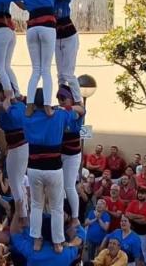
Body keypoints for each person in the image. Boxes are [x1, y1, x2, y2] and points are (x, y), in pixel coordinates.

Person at [0, 0, 58, 116]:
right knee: (43, 70)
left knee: (32, 69)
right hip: (34, 28)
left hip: (24, 29)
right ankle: (41, 103)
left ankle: (22, 102)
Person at [23, 88, 83, 252]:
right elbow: (81, 110)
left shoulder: (27, 117)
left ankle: (37, 240)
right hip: (53, 168)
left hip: (34, 167)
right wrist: (66, 107)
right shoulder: (60, 115)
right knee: (57, 207)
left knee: (36, 205)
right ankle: (57, 243)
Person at [10, 202, 86, 266]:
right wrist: (74, 219)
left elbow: (14, 233)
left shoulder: (32, 251)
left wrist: (17, 212)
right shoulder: (67, 253)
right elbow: (81, 236)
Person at [0, 82, 28, 216]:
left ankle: (22, 214)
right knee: (16, 182)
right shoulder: (5, 107)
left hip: (20, 146)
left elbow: (16, 118)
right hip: (14, 147)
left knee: (15, 182)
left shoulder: (18, 106)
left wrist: (7, 103)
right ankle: (22, 211)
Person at [57, 84, 85, 226]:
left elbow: (81, 109)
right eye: (59, 98)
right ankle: (59, 213)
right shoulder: (60, 111)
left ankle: (75, 217)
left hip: (73, 156)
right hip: (60, 154)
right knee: (58, 187)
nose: (60, 101)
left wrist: (65, 108)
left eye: (63, 98)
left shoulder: (75, 112)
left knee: (69, 186)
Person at [54, 0, 82, 102]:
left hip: (69, 36)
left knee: (68, 74)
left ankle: (77, 101)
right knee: (60, 74)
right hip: (56, 37)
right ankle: (62, 99)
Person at [125, 188, 146, 265]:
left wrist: (133, 217)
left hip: (143, 234)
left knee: (144, 251)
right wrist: (141, 216)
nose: (140, 195)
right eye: (139, 193)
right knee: (132, 249)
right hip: (132, 231)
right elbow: (127, 214)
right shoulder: (133, 203)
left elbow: (145, 221)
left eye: (143, 193)